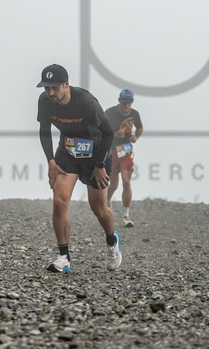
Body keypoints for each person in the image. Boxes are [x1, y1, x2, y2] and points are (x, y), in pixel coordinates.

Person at [36, 63, 122, 273]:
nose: (50, 92)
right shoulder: (45, 102)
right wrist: (50, 161)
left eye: (55, 87)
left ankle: (112, 241)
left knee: (98, 208)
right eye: (47, 88)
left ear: (66, 84)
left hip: (96, 153)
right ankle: (64, 258)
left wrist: (101, 164)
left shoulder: (85, 102)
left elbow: (109, 133)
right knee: (59, 200)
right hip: (68, 151)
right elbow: (45, 131)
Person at [105, 89, 144, 227]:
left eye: (128, 103)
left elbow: (139, 127)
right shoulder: (109, 113)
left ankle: (126, 216)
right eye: (123, 103)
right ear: (119, 101)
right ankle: (107, 202)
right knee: (113, 184)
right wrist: (115, 134)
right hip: (111, 151)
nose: (126, 106)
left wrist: (136, 137)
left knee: (126, 182)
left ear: (132, 102)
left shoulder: (134, 114)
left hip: (126, 150)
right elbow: (101, 131)